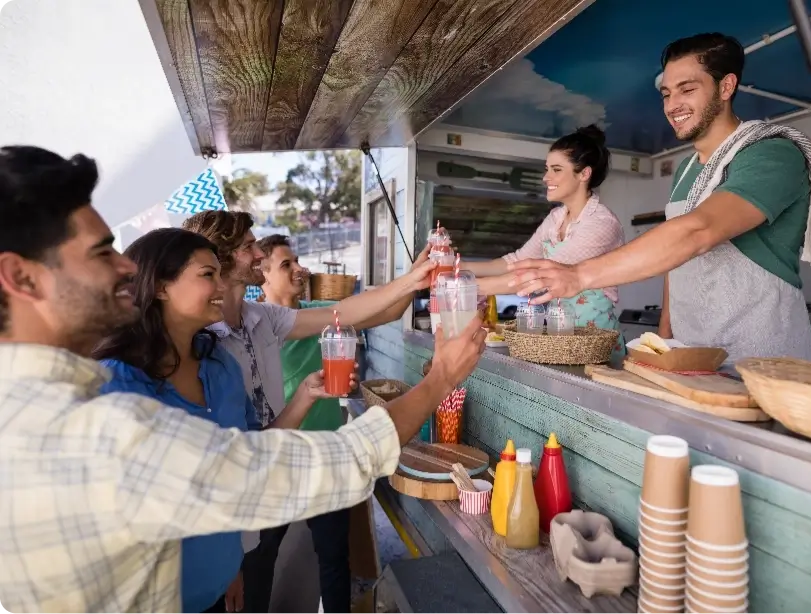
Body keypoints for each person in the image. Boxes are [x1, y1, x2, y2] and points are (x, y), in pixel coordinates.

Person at [0, 144, 487, 613]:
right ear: (22, 278)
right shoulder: (103, 425)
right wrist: (441, 375)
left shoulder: (207, 356)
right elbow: (335, 463)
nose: (127, 265)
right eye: (102, 252)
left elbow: (346, 314)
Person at [508, 33, 811, 364]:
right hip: (693, 355)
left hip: (762, 356)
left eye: (688, 89)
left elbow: (697, 232)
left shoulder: (771, 153)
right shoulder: (685, 171)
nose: (672, 105)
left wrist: (579, 275)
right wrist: (665, 337)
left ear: (726, 87)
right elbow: (677, 261)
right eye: (666, 94)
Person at [90, 228, 357, 613]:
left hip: (215, 586)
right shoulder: (113, 383)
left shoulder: (220, 367)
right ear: (162, 286)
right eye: (207, 275)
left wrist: (305, 397)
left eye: (220, 272)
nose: (221, 284)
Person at [181, 210, 432, 613]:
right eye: (249, 247)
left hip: (273, 474)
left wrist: (413, 278)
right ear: (220, 258)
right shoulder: (197, 341)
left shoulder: (260, 317)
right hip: (234, 505)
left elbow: (346, 313)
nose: (259, 254)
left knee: (272, 583)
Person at [256, 233, 429, 614]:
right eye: (287, 264)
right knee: (260, 558)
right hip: (279, 459)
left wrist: (417, 276)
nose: (299, 268)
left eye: (297, 260)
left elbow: (382, 312)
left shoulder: (319, 313)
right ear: (261, 273)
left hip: (326, 456)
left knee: (334, 561)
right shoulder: (254, 329)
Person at [460, 125, 627, 357]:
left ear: (584, 174)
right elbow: (519, 261)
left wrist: (466, 288)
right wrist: (459, 267)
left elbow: (540, 276)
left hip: (597, 343)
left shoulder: (601, 223)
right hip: (563, 337)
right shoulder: (555, 218)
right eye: (547, 169)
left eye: (556, 169)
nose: (545, 177)